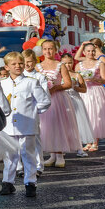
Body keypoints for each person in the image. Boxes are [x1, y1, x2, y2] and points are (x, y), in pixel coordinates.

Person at [0, 52, 51, 200]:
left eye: (20, 63)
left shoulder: (31, 82)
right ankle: (8, 182)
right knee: (10, 155)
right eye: (14, 64)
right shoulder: (2, 83)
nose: (18, 66)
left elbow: (44, 101)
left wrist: (33, 113)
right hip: (8, 125)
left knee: (28, 154)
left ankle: (30, 183)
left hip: (27, 124)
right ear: (7, 67)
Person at [36, 39, 79, 168]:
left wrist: (54, 87)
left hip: (58, 98)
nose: (48, 51)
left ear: (55, 50)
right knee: (47, 126)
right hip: (45, 99)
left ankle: (60, 155)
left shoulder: (61, 65)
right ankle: (52, 154)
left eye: (50, 49)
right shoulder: (38, 67)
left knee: (58, 125)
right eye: (45, 49)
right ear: (42, 51)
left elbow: (68, 83)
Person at [74, 40, 105, 150]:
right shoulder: (79, 65)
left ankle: (95, 141)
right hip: (84, 92)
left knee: (96, 116)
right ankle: (88, 141)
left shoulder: (99, 63)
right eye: (88, 51)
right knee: (85, 116)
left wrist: (94, 79)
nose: (90, 53)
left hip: (96, 91)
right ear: (84, 52)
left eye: (92, 51)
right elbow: (75, 78)